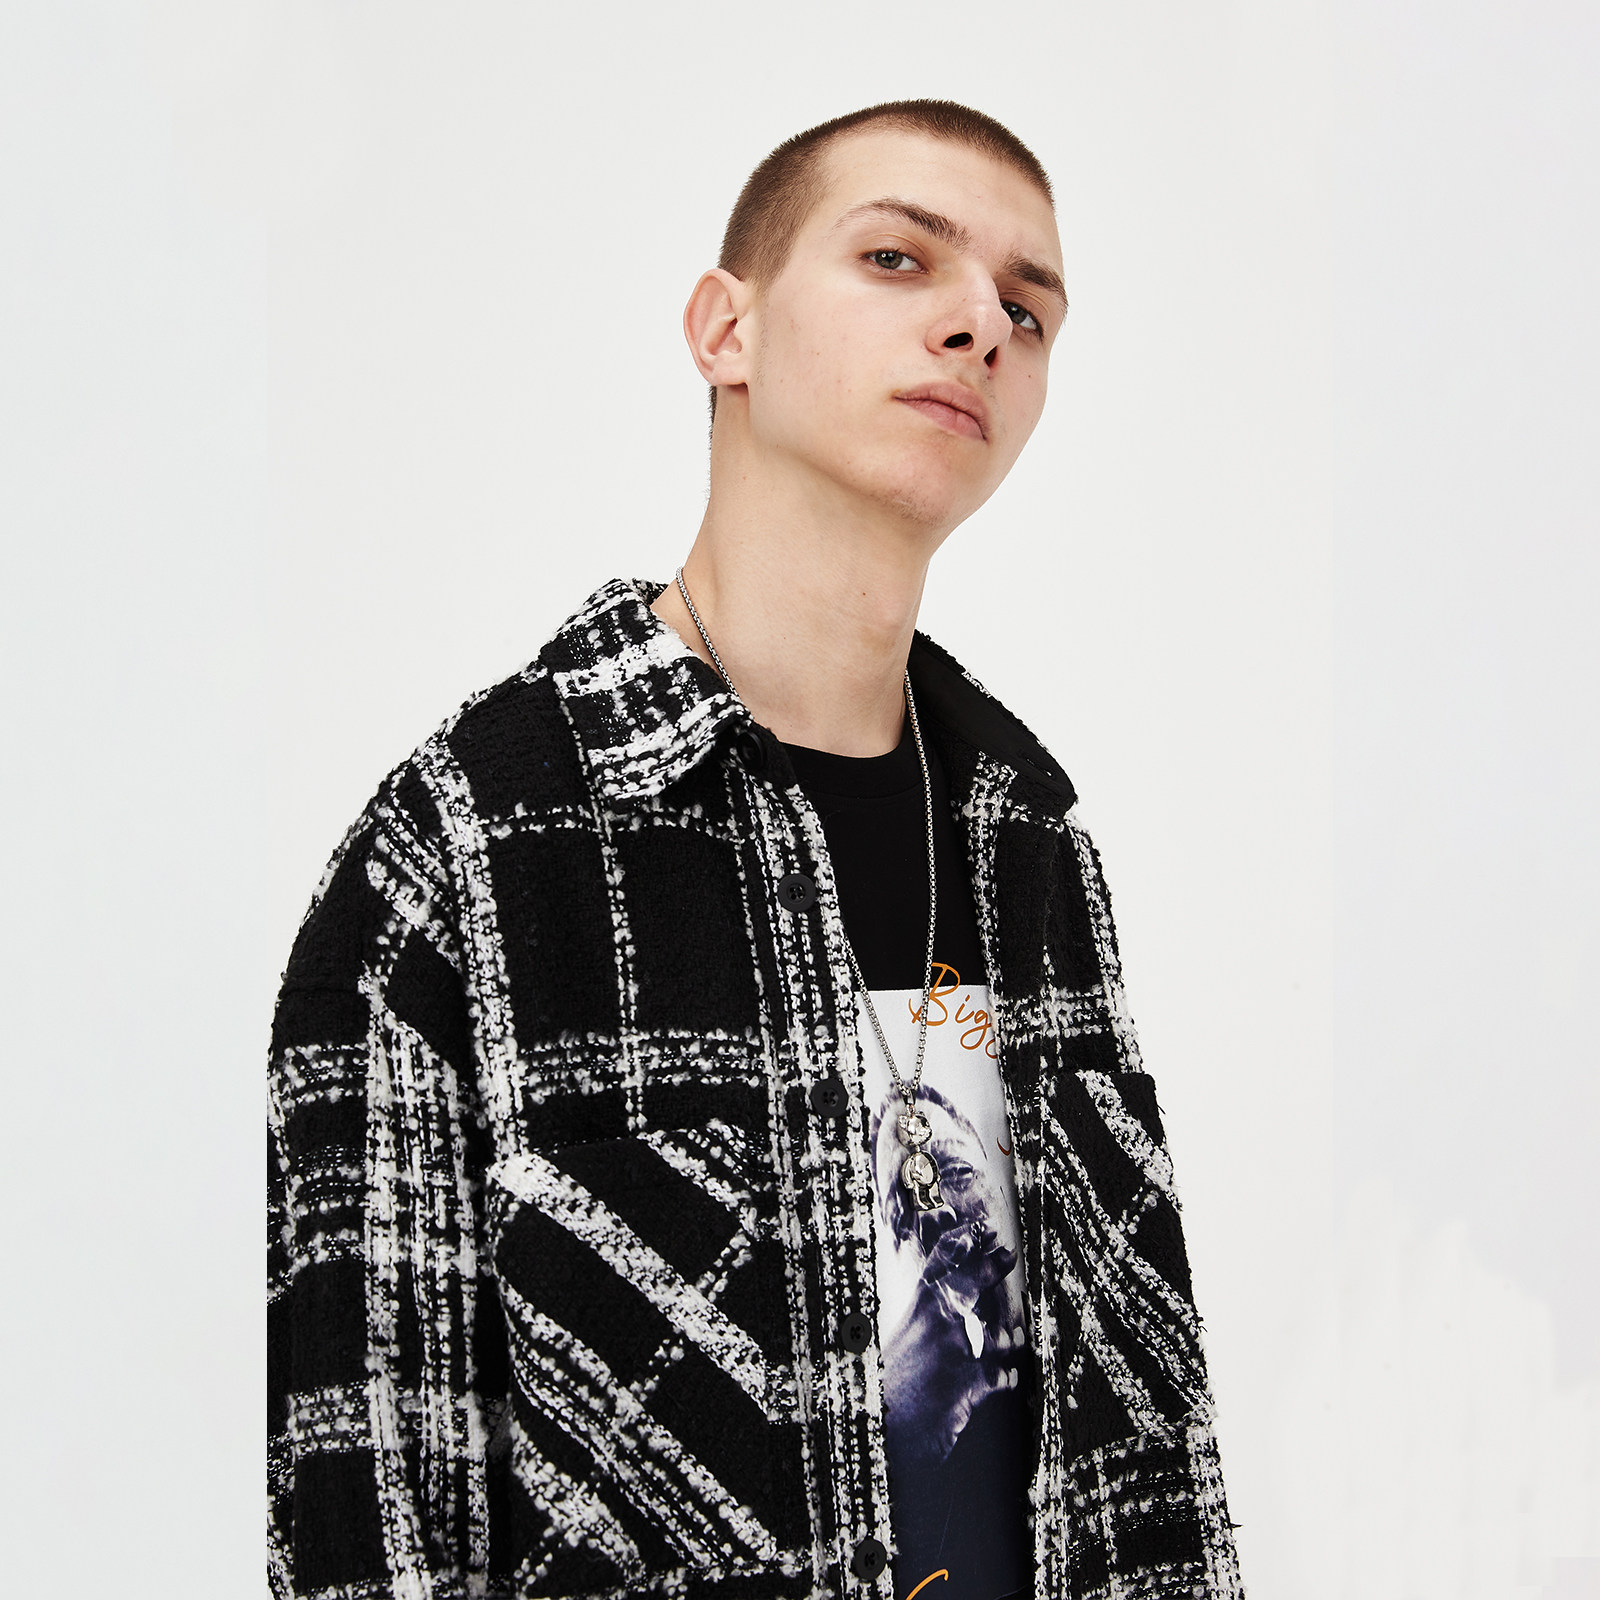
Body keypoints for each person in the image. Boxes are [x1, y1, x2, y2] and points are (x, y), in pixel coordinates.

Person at [267, 99, 1243, 1600]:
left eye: (1028, 310)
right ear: (727, 329)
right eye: (899, 258)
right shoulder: (461, 855)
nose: (980, 326)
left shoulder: (1030, 841)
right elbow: (369, 1506)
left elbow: (1148, 1449)